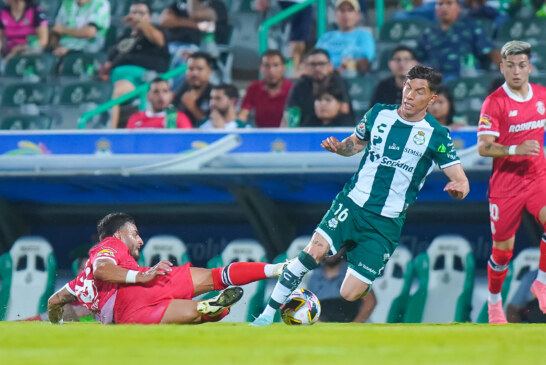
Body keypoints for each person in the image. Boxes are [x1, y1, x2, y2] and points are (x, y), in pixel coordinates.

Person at [251, 65, 470, 326]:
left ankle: (354, 276)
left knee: (350, 293)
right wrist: (339, 148)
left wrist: (458, 189)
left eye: (419, 91)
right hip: (352, 203)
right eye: (407, 88)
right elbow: (354, 144)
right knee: (313, 252)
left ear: (432, 99)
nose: (409, 95)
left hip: (385, 223)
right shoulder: (379, 114)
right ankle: (265, 316)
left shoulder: (436, 135)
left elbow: (462, 180)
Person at [47, 212, 288, 325]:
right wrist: (143, 275)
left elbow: (54, 302)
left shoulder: (78, 284)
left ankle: (209, 309)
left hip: (127, 318)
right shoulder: (111, 243)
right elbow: (101, 268)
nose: (140, 240)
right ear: (119, 234)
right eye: (135, 233)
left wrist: (58, 326)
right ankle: (277, 269)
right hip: (140, 289)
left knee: (196, 313)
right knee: (217, 276)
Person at [477, 40, 546, 324]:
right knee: (502, 253)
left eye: (521, 65)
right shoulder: (494, 103)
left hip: (537, 176)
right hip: (506, 184)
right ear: (502, 67)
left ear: (529, 67)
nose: (516, 71)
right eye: (510, 66)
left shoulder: (542, 95)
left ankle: (541, 281)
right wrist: (515, 149)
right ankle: (494, 303)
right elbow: (483, 147)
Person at [100, 1, 170, 129]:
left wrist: (141, 23)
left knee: (113, 93)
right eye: (134, 13)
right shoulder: (124, 35)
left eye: (141, 13)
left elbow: (159, 40)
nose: (136, 16)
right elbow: (112, 57)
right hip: (115, 76)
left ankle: (110, 133)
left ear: (149, 17)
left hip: (140, 80)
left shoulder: (155, 31)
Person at [415, 0, 501, 81]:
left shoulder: (471, 26)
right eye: (440, 4)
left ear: (458, 8)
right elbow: (418, 59)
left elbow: (490, 51)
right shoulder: (427, 32)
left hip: (466, 77)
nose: (444, 7)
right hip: (436, 80)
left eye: (449, 3)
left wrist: (505, 69)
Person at [283, 48, 352, 127]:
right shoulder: (300, 85)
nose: (317, 68)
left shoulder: (339, 81)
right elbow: (290, 116)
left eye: (321, 64)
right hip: (307, 130)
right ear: (305, 67)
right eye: (312, 64)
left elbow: (344, 110)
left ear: (330, 66)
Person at [307, 255, 377, 322]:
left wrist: (354, 325)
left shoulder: (354, 272)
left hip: (351, 328)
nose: (331, 253)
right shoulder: (314, 277)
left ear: (342, 248)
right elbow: (310, 306)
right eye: (328, 248)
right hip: (324, 330)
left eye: (334, 246)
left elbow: (370, 301)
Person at [315, 0, 375, 75]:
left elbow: (365, 62)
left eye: (350, 10)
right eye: (342, 10)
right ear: (335, 15)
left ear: (357, 15)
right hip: (322, 75)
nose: (346, 14)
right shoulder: (326, 37)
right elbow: (315, 57)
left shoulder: (364, 35)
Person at [238, 50, 292, 128]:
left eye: (276, 65)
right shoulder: (253, 88)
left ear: (283, 68)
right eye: (267, 66)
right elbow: (243, 114)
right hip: (260, 136)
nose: (271, 71)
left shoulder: (292, 89)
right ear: (261, 68)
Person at [255, 0, 311, 74]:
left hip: (305, 3)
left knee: (298, 43)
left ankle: (293, 73)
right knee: (274, 42)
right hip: (281, 3)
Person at [126, 78, 193, 129]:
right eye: (156, 92)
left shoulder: (179, 118)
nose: (161, 96)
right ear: (148, 96)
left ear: (171, 95)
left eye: (165, 91)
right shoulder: (135, 119)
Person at [159, 0, 229, 47]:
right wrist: (194, 24)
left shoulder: (217, 5)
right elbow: (164, 21)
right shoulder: (179, 2)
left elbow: (195, 15)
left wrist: (177, 21)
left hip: (198, 49)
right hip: (171, 45)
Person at [173, 51, 214, 127]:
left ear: (209, 71)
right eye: (191, 69)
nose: (194, 73)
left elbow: (214, 126)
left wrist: (193, 107)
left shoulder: (215, 94)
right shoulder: (181, 90)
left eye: (200, 69)